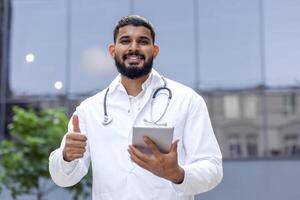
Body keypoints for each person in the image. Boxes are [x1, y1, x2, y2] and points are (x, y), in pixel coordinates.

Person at [49, 15, 223, 200]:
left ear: (154, 51)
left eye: (143, 41)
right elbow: (63, 179)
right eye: (125, 41)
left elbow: (212, 168)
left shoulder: (187, 100)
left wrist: (177, 174)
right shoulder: (89, 110)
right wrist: (67, 157)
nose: (133, 48)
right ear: (112, 50)